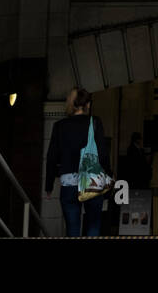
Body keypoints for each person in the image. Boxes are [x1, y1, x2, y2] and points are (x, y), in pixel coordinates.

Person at [44, 87, 111, 236]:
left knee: (72, 229)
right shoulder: (95, 122)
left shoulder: (60, 126)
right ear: (87, 104)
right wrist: (108, 178)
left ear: (71, 104)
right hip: (92, 179)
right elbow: (103, 154)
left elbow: (52, 156)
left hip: (69, 182)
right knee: (93, 226)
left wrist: (49, 185)